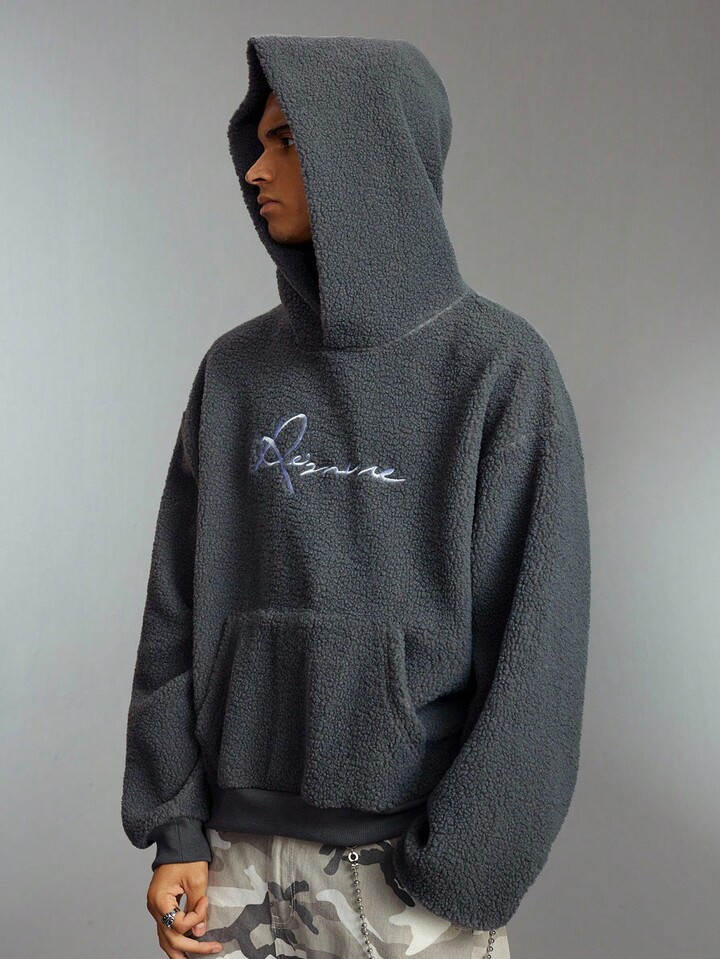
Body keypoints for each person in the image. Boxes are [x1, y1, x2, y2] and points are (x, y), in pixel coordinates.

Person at [121, 34, 591, 959]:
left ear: (367, 153)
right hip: (232, 862)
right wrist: (176, 828)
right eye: (257, 142)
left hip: (415, 879)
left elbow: (539, 654)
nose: (255, 170)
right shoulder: (235, 373)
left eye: (287, 140)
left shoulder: (499, 370)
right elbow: (174, 613)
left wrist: (464, 870)